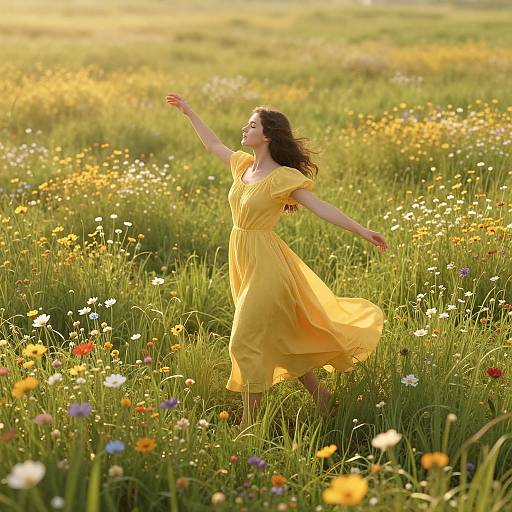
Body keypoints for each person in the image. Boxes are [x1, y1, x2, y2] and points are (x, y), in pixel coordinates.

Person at [165, 93, 388, 429]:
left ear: (267, 135)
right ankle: (323, 399)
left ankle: (249, 426)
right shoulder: (243, 166)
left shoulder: (282, 177)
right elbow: (213, 145)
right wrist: (189, 112)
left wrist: (361, 230)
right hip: (243, 259)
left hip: (268, 265)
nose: (244, 128)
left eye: (251, 124)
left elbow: (320, 207)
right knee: (280, 335)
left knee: (244, 340)